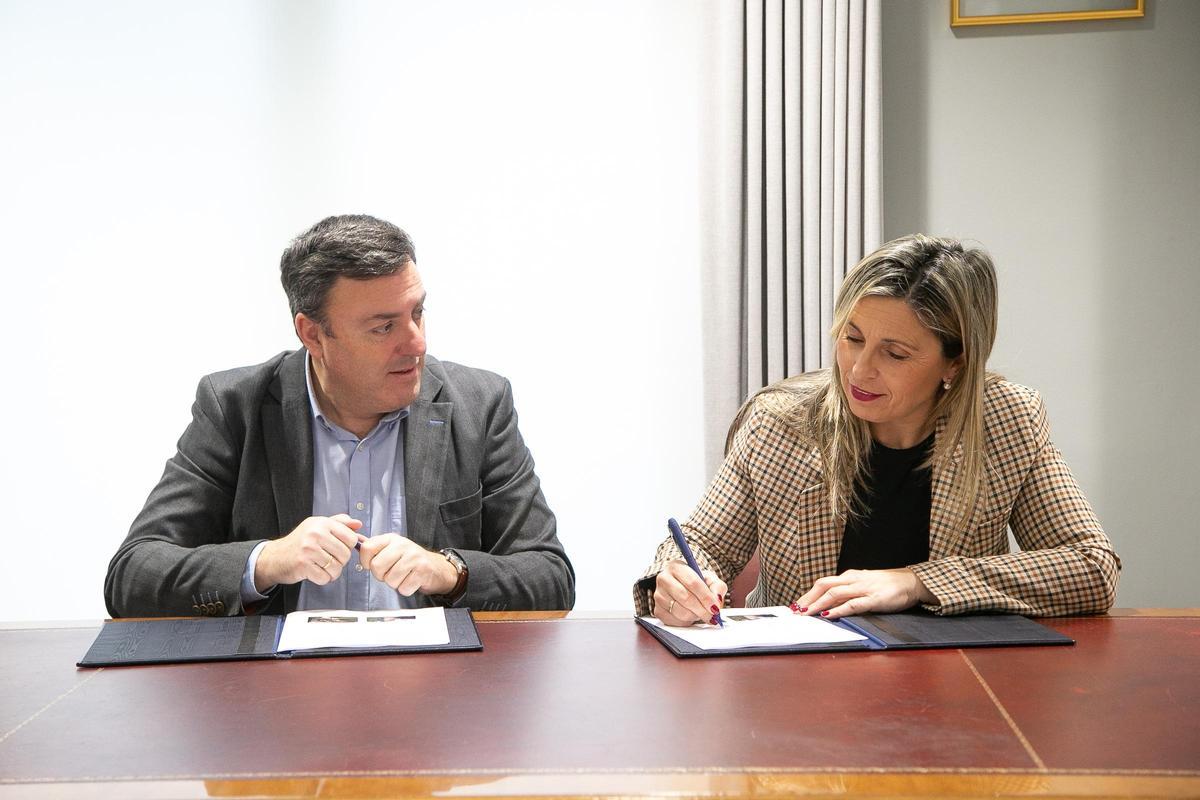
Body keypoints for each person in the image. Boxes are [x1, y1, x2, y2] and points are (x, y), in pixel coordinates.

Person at [635, 234, 1119, 624]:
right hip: (803, 692)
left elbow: (1092, 568)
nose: (858, 371)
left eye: (895, 353)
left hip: (957, 688)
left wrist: (916, 581)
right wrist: (673, 579)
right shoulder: (780, 423)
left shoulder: (1006, 421)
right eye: (853, 338)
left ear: (956, 363)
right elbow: (703, 543)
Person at [106, 214, 574, 617]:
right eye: (384, 326)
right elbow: (133, 576)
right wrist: (266, 561)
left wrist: (449, 571)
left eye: (418, 313)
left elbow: (551, 576)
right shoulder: (235, 408)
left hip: (435, 693)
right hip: (278, 696)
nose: (417, 344)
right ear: (313, 335)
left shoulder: (480, 404)